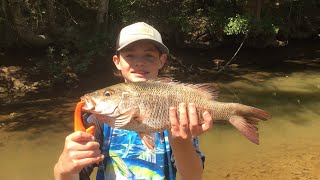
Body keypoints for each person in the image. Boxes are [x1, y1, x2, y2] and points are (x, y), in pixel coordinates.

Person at [54, 22, 213, 180]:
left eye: (149, 55)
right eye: (130, 55)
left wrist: (180, 142)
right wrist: (64, 168)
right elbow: (75, 175)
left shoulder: (177, 111)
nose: (139, 62)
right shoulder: (99, 120)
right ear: (117, 61)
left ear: (162, 60)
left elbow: (193, 176)